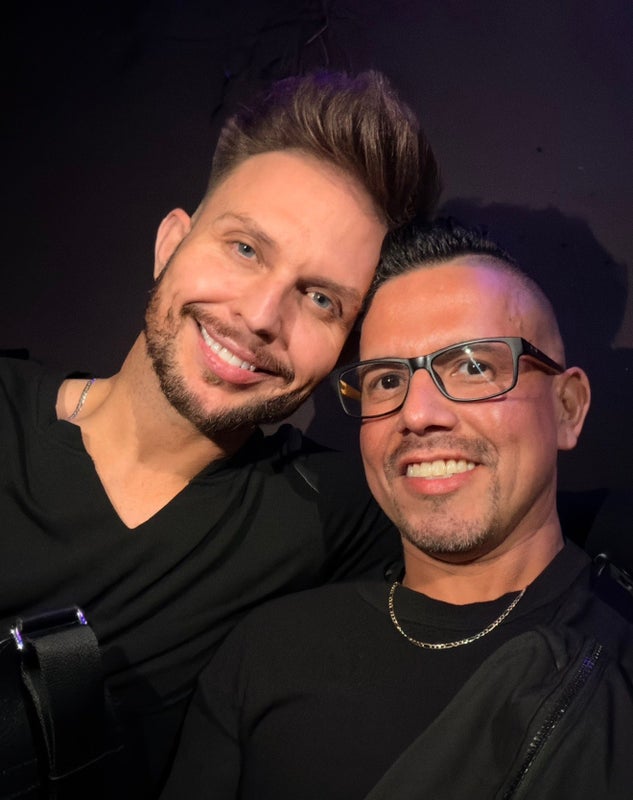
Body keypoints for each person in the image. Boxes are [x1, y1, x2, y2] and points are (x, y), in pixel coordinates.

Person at [0, 71, 441, 798]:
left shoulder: (330, 514)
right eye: (244, 249)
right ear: (171, 241)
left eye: (320, 298)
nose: (261, 316)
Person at [161, 220, 633, 800]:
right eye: (386, 380)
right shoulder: (266, 653)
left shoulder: (617, 658)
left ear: (567, 409)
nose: (419, 414)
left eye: (474, 366)